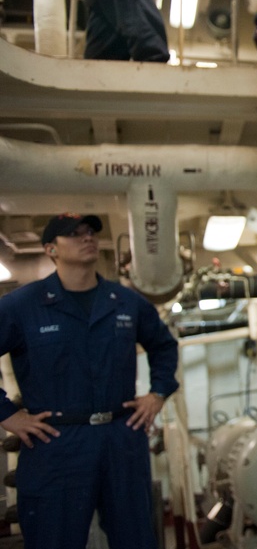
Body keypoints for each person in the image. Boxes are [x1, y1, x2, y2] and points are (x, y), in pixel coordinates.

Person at [0, 213, 179, 549]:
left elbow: (163, 345)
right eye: (74, 234)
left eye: (90, 232)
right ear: (51, 248)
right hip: (56, 440)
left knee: (136, 539)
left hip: (121, 439)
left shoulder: (126, 301)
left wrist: (157, 393)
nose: (88, 238)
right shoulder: (22, 306)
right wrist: (8, 415)